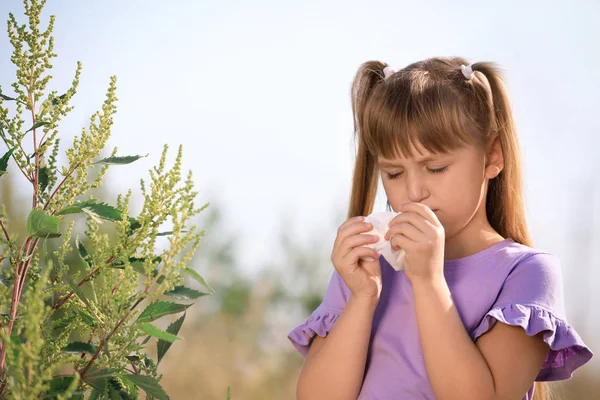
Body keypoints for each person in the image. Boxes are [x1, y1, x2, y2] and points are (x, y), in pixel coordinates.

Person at [287, 57, 593, 400]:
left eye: (435, 168)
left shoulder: (525, 273)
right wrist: (362, 298)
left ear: (492, 156)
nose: (414, 192)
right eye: (394, 174)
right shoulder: (368, 267)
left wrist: (429, 281)